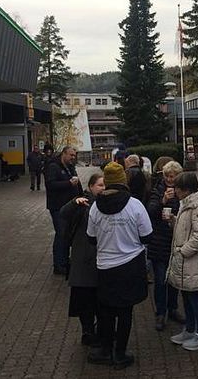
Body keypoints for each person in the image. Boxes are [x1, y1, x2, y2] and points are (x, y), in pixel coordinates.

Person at [85, 162, 153, 369]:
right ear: (123, 180)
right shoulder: (135, 205)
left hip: (105, 265)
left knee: (106, 311)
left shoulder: (96, 207)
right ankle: (120, 354)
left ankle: (105, 349)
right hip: (130, 264)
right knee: (125, 312)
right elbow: (147, 236)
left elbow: (91, 238)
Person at [166, 172, 198, 351]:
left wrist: (183, 251)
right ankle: (191, 329)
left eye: (177, 188)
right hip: (184, 260)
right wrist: (174, 221)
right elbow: (189, 228)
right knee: (186, 295)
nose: (174, 190)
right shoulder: (186, 205)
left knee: (195, 297)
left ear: (185, 190)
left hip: (191, 260)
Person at [60, 173, 106, 346]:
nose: (103, 189)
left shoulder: (107, 204)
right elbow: (63, 213)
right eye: (100, 185)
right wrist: (74, 202)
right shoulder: (82, 202)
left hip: (99, 258)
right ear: (91, 187)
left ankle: (101, 329)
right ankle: (87, 331)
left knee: (99, 299)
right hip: (83, 257)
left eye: (105, 186)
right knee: (84, 299)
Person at [146, 161, 186, 331]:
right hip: (159, 241)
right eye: (168, 176)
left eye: (173, 176)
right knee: (161, 280)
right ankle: (160, 313)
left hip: (174, 240)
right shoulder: (156, 190)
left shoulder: (182, 192)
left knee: (174, 280)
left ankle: (173, 309)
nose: (170, 179)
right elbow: (150, 212)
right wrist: (163, 200)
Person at [45, 146, 82, 275]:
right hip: (58, 206)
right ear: (64, 154)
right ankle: (59, 265)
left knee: (66, 234)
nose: (73, 157)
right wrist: (68, 183)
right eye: (71, 155)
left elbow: (77, 183)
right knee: (61, 234)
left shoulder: (70, 167)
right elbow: (50, 185)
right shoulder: (53, 167)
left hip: (69, 205)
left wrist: (81, 196)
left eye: (74, 155)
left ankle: (65, 261)